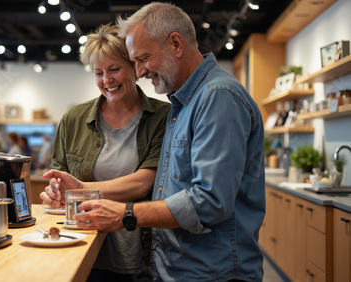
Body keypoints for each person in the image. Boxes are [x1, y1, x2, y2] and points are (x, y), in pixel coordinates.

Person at [59, 3, 266, 281]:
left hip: (212, 274)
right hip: (178, 269)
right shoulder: (183, 103)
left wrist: (125, 214)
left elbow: (210, 201)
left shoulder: (218, 97)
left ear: (176, 44)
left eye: (143, 58)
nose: (141, 72)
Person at [40, 24, 170, 281]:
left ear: (134, 67)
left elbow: (144, 183)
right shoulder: (73, 119)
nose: (106, 81)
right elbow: (59, 175)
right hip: (83, 249)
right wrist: (54, 191)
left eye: (115, 69)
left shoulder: (161, 117)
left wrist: (79, 189)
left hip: (140, 257)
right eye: (98, 73)